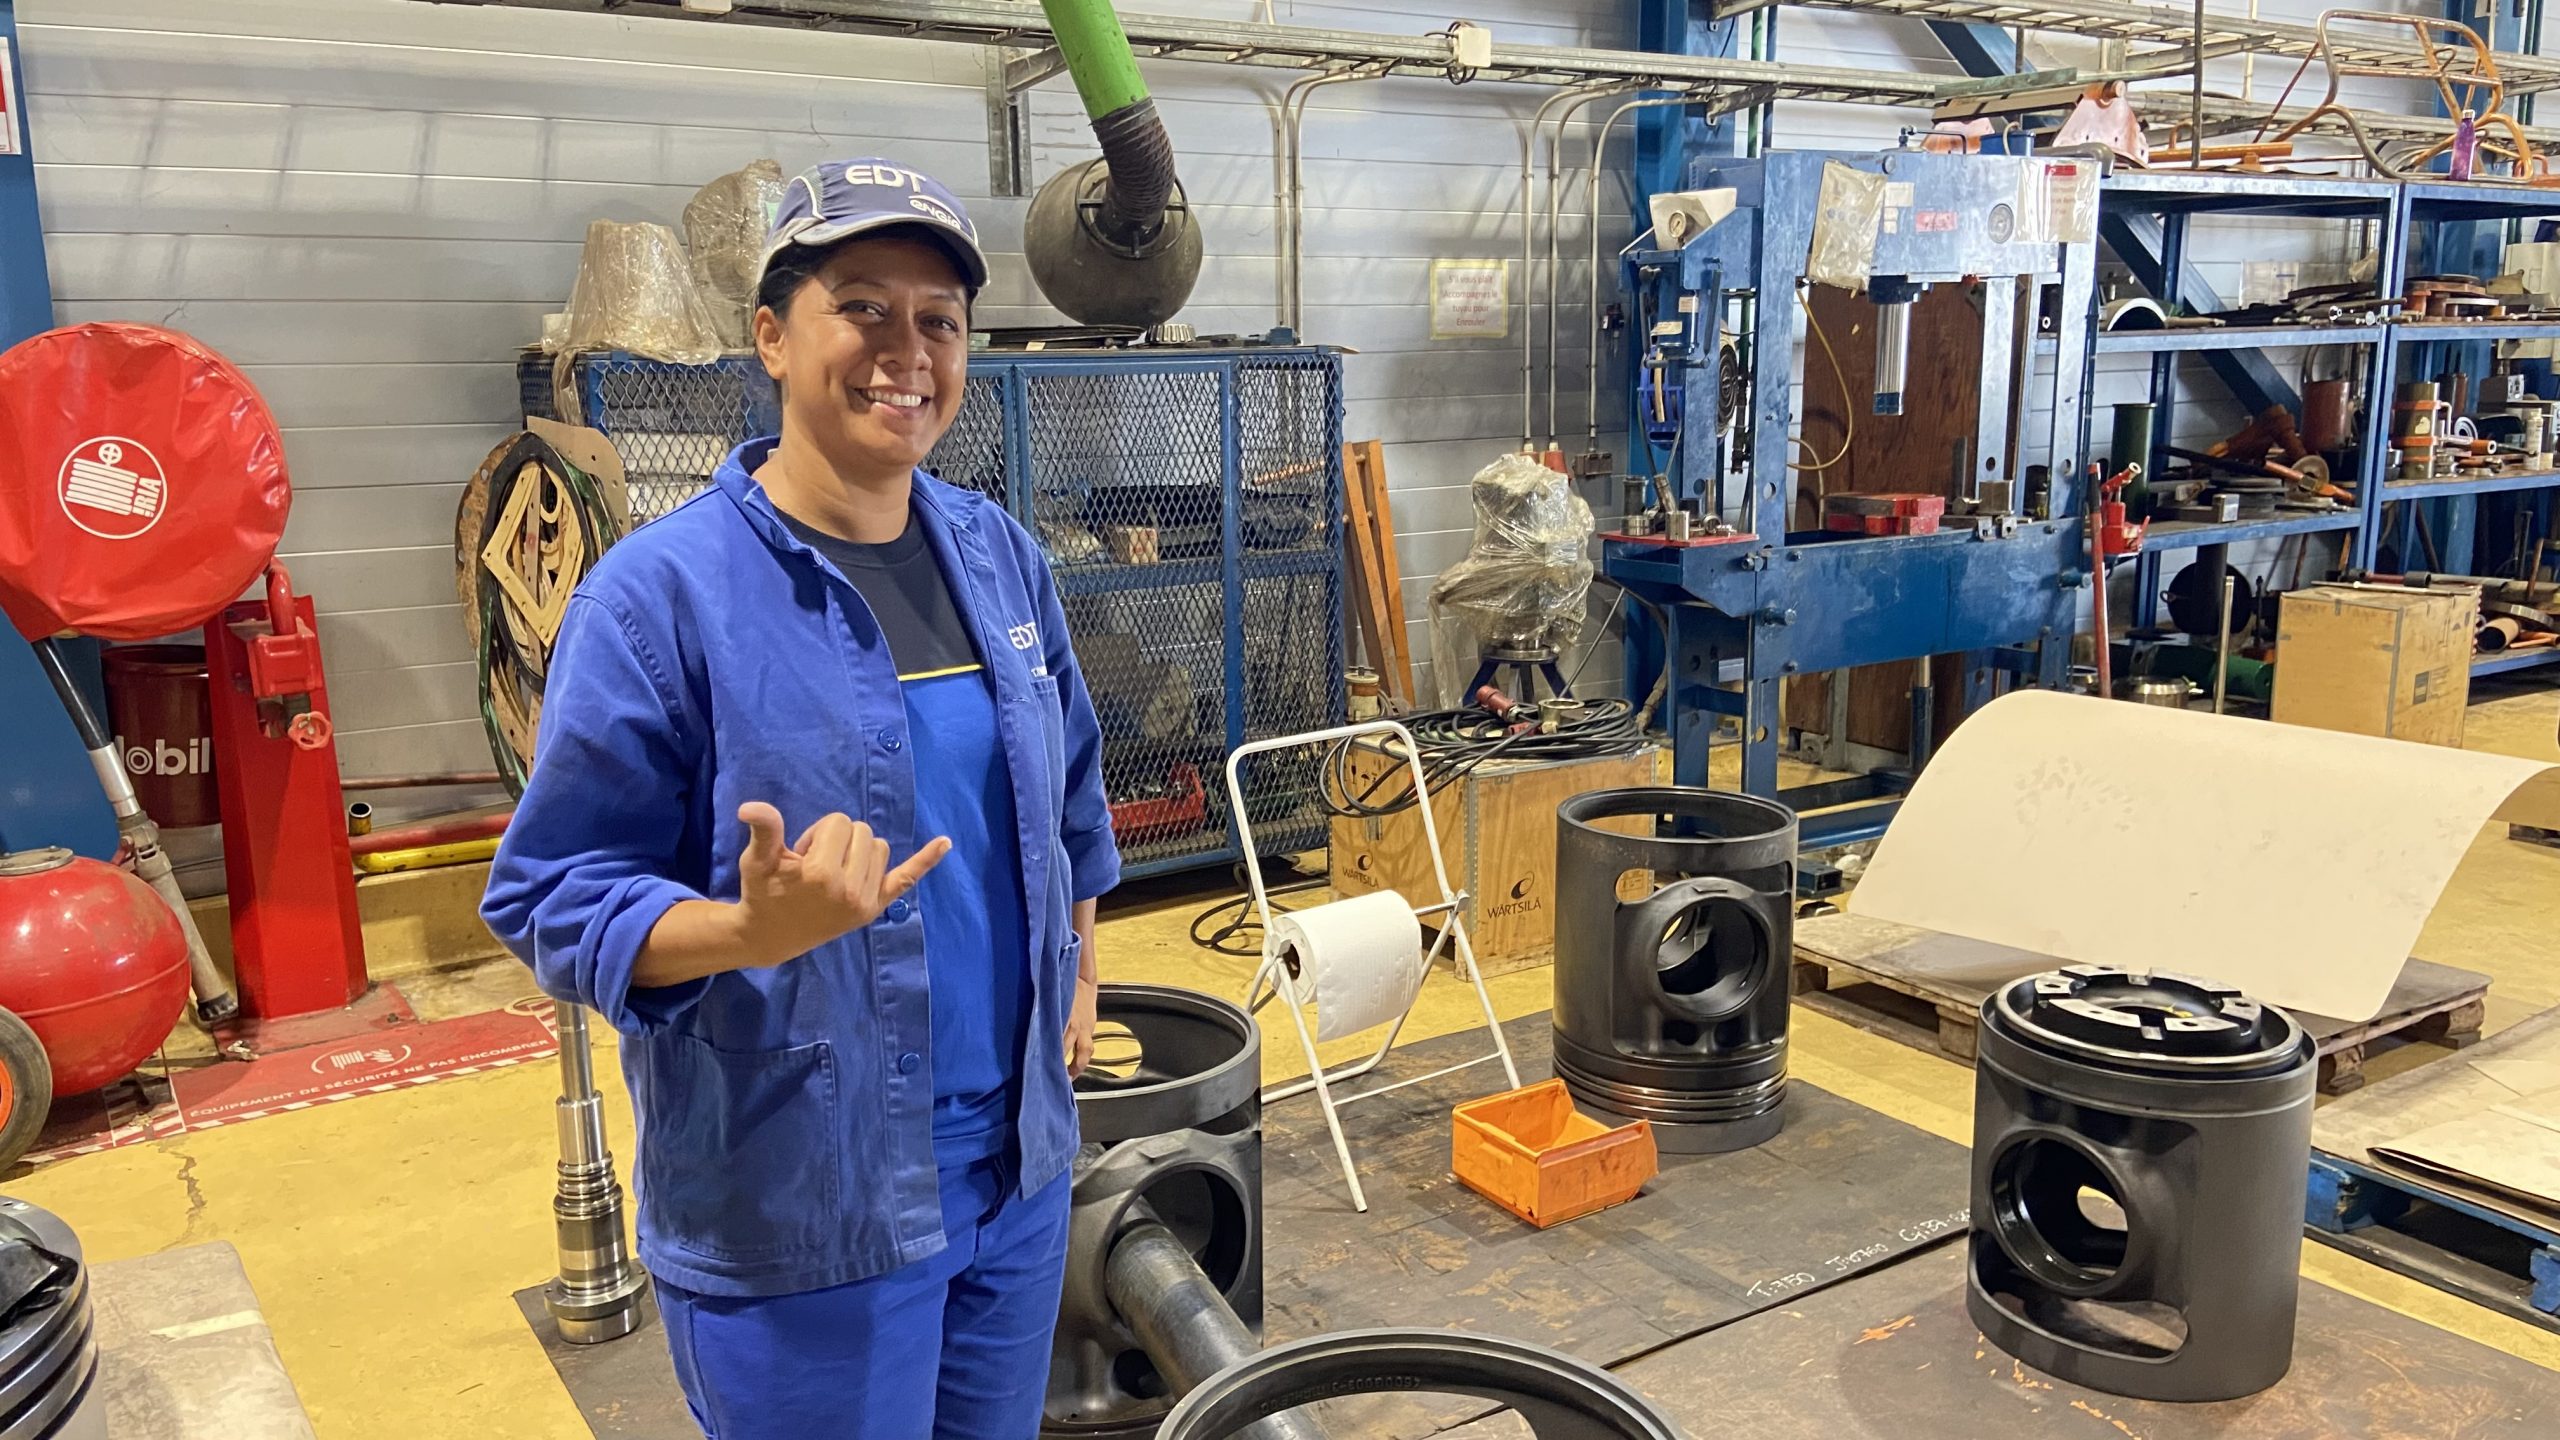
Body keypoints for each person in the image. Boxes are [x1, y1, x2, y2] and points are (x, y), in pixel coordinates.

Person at [483, 158, 1120, 1440]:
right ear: (772, 338)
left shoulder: (998, 555)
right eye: (863, 308)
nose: (906, 351)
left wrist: (1081, 966)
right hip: (803, 1202)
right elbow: (550, 892)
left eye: (937, 320)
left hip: (1017, 1172)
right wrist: (742, 932)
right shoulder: (660, 597)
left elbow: (1068, 794)